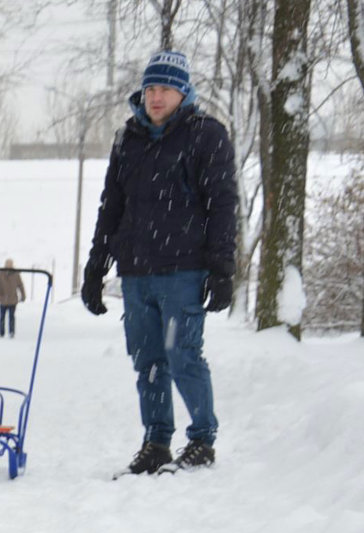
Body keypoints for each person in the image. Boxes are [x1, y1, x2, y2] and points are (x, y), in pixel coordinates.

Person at [81, 50, 237, 476]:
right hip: (136, 272)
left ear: (183, 92)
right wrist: (96, 265)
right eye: (150, 87)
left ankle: (202, 440)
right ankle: (156, 442)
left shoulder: (206, 135)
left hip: (184, 268)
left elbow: (223, 204)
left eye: (165, 88)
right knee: (148, 360)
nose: (156, 96)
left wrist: (222, 267)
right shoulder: (127, 139)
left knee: (182, 353)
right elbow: (111, 206)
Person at [0, 258, 26, 338]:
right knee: (2, 317)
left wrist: (23, 296)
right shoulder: (0, 274)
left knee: (11, 317)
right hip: (3, 300)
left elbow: (21, 286)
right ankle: (1, 333)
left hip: (12, 300)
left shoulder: (16, 274)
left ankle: (11, 332)